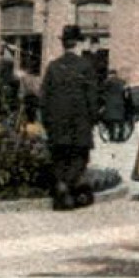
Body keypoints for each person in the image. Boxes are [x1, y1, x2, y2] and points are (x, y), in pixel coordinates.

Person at [40, 24, 103, 211]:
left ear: (64, 44)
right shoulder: (86, 67)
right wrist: (93, 119)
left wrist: (48, 122)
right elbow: (93, 97)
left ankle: (62, 190)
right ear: (78, 43)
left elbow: (44, 98)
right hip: (79, 124)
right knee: (79, 158)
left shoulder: (53, 67)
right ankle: (66, 188)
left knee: (59, 157)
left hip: (57, 124)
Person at [101, 68, 132, 142]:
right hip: (120, 103)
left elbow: (102, 93)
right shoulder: (122, 82)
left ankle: (112, 137)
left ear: (109, 75)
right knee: (121, 122)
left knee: (111, 122)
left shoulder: (106, 82)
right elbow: (127, 93)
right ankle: (120, 137)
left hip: (110, 104)